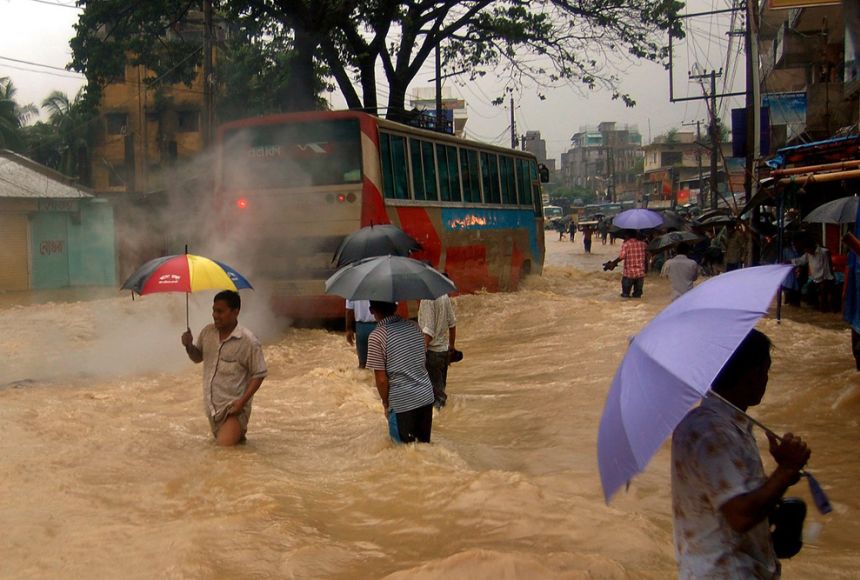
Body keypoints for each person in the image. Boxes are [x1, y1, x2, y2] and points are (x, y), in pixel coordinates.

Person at [671, 329, 811, 579]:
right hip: (726, 571)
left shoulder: (726, 425)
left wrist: (781, 480)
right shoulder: (712, 432)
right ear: (752, 374)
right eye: (765, 371)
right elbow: (740, 515)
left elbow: (732, 500)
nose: (765, 380)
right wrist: (785, 470)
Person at [181, 290, 268, 446]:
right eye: (214, 310)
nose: (215, 315)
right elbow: (197, 357)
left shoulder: (248, 341)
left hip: (233, 412)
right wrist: (188, 346)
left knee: (223, 454)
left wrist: (241, 403)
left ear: (235, 312)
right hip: (212, 411)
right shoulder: (207, 333)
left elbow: (259, 373)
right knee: (229, 458)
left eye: (220, 311)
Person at [366, 300, 435, 443]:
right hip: (426, 396)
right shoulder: (415, 327)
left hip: (402, 403)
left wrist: (385, 403)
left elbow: (381, 379)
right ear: (396, 307)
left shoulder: (377, 337)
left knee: (403, 452)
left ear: (371, 310)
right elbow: (421, 360)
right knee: (423, 450)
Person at [418, 291, 457, 409]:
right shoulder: (444, 296)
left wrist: (419, 353)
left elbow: (428, 331)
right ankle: (444, 420)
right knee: (440, 391)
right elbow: (452, 323)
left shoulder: (427, 300)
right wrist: (451, 346)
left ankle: (438, 423)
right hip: (443, 351)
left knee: (435, 398)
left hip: (432, 353)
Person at [791, 232, 834, 312]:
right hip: (815, 279)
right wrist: (790, 262)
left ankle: (824, 309)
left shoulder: (824, 252)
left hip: (825, 278)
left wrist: (824, 281)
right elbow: (801, 261)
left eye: (807, 249)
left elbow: (827, 269)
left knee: (823, 293)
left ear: (811, 247)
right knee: (808, 292)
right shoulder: (808, 254)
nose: (806, 251)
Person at [604, 232, 649, 298]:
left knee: (625, 296)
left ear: (627, 235)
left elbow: (621, 256)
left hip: (629, 274)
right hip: (640, 274)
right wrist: (646, 270)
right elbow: (646, 258)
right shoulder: (643, 244)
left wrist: (613, 263)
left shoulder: (626, 244)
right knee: (637, 296)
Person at [345, 299, 376, 368]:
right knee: (380, 364)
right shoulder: (384, 288)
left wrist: (348, 329)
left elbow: (349, 310)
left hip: (361, 328)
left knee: (362, 364)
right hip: (379, 326)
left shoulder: (353, 289)